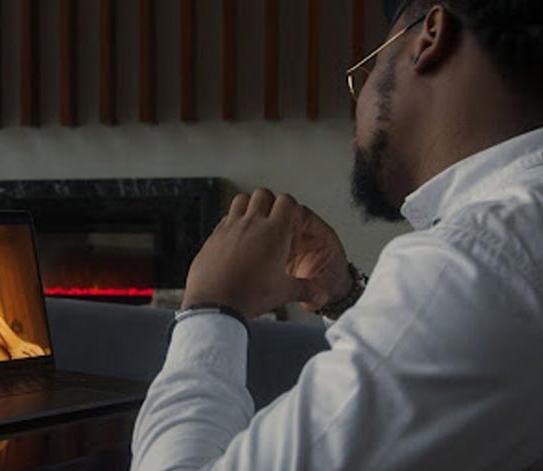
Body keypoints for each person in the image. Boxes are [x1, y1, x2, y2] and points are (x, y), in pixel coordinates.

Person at [132, 0, 543, 469]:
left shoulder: (471, 265)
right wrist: (343, 298)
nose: (359, 102)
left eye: (365, 71)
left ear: (430, 35)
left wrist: (210, 307)